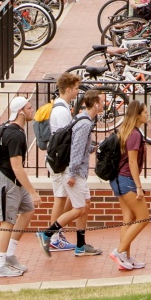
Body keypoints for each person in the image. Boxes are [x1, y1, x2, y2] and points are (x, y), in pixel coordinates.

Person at [44, 89, 104, 257]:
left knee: (86, 205)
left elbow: (80, 146)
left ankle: (80, 245)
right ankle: (47, 234)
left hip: (77, 170)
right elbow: (76, 150)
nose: (104, 105)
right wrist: (72, 174)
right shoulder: (85, 123)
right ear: (96, 104)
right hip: (74, 171)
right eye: (102, 101)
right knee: (79, 209)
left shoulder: (82, 118)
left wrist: (95, 147)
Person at [0, 96, 41, 278]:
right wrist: (33, 191)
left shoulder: (13, 130)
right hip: (6, 180)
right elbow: (17, 167)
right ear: (20, 112)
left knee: (27, 210)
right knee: (7, 221)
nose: (32, 110)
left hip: (13, 180)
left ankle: (10, 255)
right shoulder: (15, 135)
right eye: (29, 108)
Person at [37, 73, 82, 255]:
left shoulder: (60, 107)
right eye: (77, 88)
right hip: (59, 161)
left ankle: (56, 233)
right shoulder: (62, 111)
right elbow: (66, 138)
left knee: (63, 197)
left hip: (56, 160)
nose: (78, 92)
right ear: (68, 89)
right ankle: (53, 237)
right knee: (62, 197)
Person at [109, 99, 151, 271]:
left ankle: (124, 257)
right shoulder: (134, 134)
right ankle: (119, 251)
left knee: (128, 218)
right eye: (145, 112)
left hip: (119, 179)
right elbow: (132, 163)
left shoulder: (127, 131)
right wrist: (139, 186)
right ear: (138, 115)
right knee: (144, 217)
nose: (148, 115)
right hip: (126, 180)